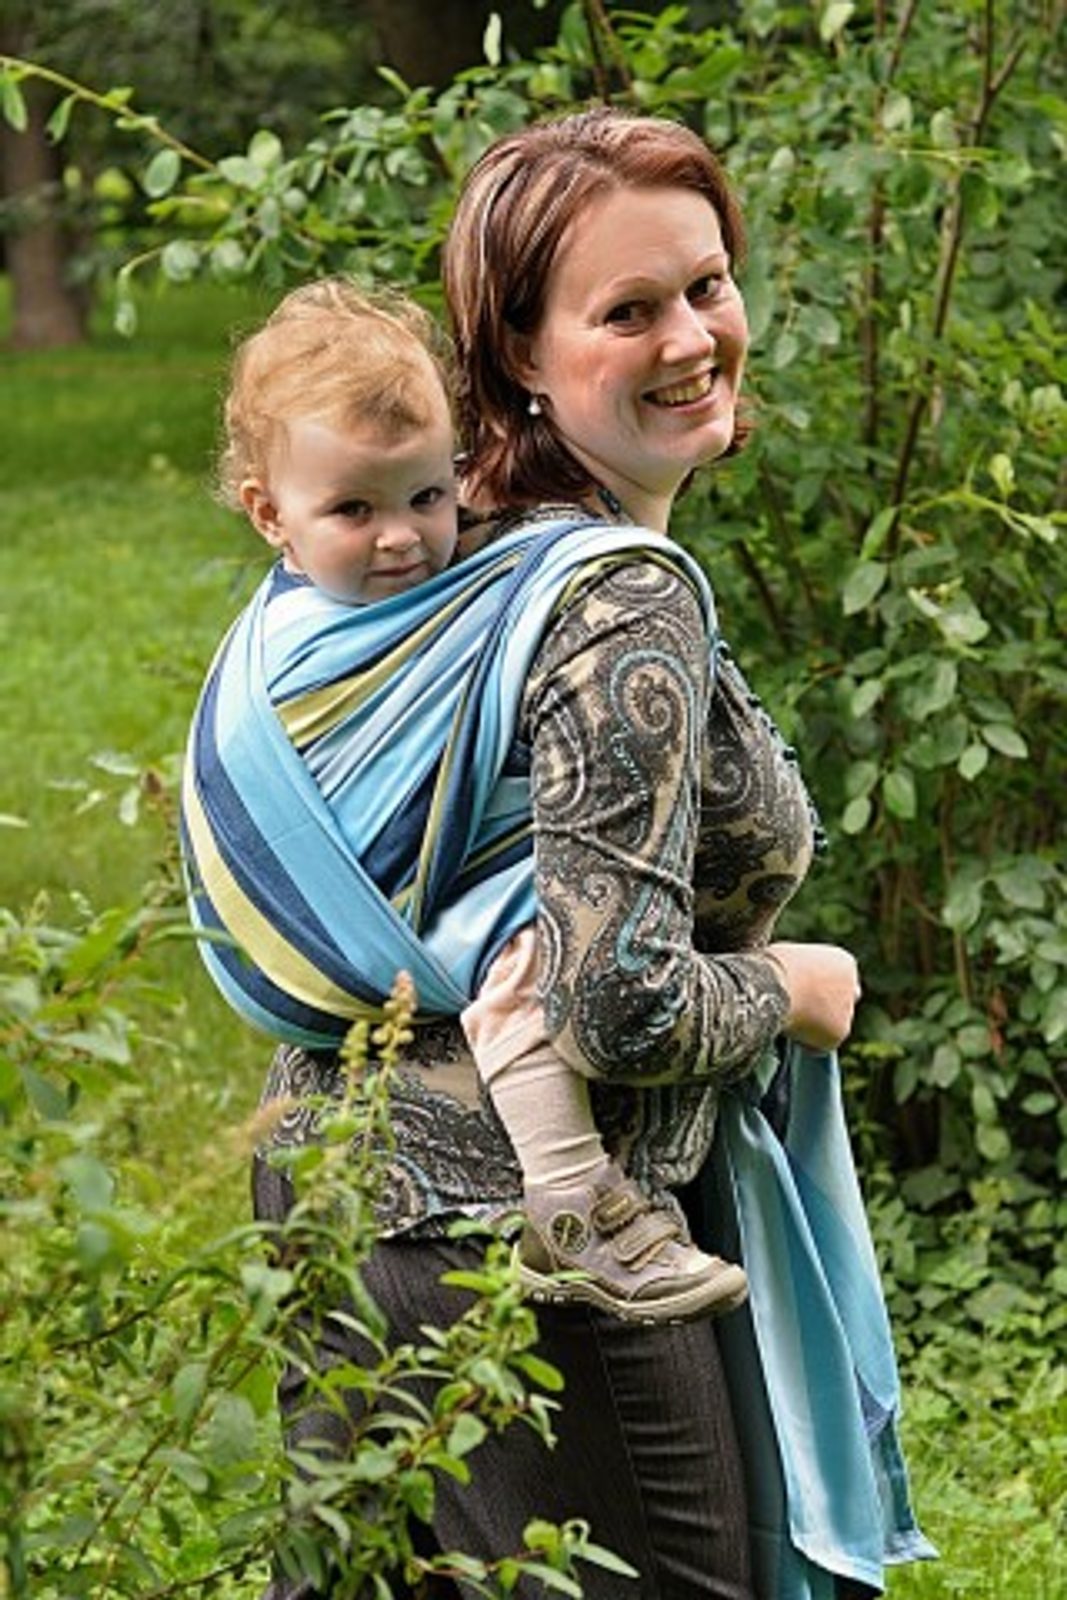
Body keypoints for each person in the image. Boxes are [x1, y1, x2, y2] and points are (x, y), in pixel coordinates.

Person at [186, 108, 932, 1598]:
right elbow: (618, 1004)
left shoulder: (433, 549)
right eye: (626, 310)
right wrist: (790, 986)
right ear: (518, 350)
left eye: (705, 285)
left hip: (334, 1191)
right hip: (523, 1245)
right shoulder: (603, 598)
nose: (692, 338)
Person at [211, 275, 749, 1324]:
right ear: (268, 513)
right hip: (365, 907)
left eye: (425, 496)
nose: (402, 538)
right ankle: (574, 1203)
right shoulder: (294, 639)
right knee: (529, 952)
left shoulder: (445, 588)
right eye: (353, 510)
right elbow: (267, 771)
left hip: (344, 1091)